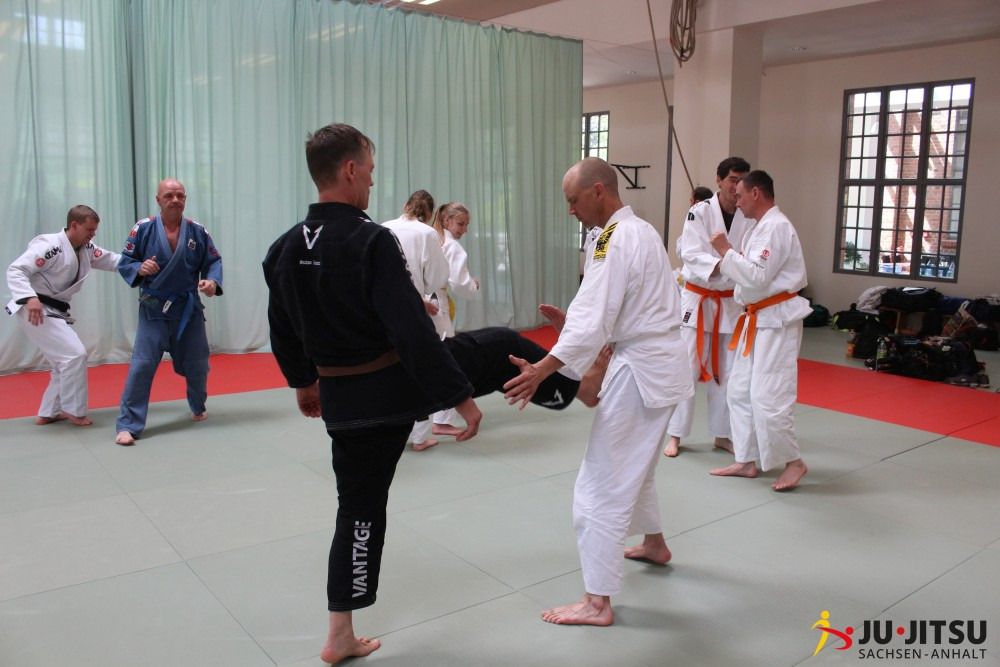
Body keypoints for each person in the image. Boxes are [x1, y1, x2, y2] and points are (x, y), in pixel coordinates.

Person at [261, 123, 484, 665]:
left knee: (357, 505)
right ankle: (339, 633)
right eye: (370, 170)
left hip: (338, 399)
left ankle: (341, 629)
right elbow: (411, 330)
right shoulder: (370, 241)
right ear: (350, 170)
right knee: (361, 509)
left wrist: (303, 382)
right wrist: (460, 398)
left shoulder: (284, 247)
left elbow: (283, 326)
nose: (372, 181)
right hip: (382, 395)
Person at [503, 157, 693, 626]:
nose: (570, 210)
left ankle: (597, 601)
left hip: (642, 369)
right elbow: (613, 308)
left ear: (599, 192)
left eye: (573, 200)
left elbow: (595, 318)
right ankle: (654, 543)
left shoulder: (613, 237)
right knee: (638, 466)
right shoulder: (639, 231)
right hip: (660, 363)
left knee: (600, 483)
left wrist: (543, 368)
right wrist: (572, 328)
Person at [708, 170, 811, 491]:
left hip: (776, 322)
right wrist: (730, 256)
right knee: (738, 391)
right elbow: (751, 274)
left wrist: (725, 251)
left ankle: (794, 462)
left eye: (739, 195)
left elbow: (756, 276)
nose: (736, 201)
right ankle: (746, 459)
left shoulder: (776, 227)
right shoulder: (759, 228)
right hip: (756, 319)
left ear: (756, 193)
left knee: (768, 396)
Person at [113, 179, 223, 446]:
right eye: (169, 195)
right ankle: (128, 425)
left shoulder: (197, 231)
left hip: (188, 309)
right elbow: (125, 261)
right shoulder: (143, 228)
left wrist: (211, 282)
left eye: (180, 196)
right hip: (154, 310)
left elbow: (213, 261)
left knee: (198, 363)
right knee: (142, 365)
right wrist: (140, 268)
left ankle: (197, 404)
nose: (175, 200)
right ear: (158, 200)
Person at [664, 157, 752, 458]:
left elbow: (749, 257)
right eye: (732, 179)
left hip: (730, 301)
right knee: (688, 366)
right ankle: (675, 434)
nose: (736, 187)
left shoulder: (747, 215)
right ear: (719, 180)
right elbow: (690, 253)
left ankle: (722, 434)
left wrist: (731, 264)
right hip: (699, 299)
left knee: (727, 372)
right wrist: (726, 264)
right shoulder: (699, 212)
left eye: (741, 181)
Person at [5, 205, 121, 426]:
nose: (93, 234)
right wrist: (29, 298)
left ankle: (49, 412)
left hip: (53, 309)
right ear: (74, 225)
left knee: (63, 362)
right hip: (35, 308)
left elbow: (112, 260)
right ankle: (74, 410)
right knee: (74, 355)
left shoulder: (85, 248)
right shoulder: (51, 246)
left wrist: (139, 265)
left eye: (94, 230)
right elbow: (16, 269)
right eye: (89, 229)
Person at [382, 190, 451, 450]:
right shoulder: (427, 234)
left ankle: (391, 429)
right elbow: (437, 277)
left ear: (406, 205)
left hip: (384, 310)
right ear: (430, 212)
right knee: (421, 369)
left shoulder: (384, 228)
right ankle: (419, 437)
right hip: (415, 309)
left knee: (390, 369)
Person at [429, 201, 481, 437]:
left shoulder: (431, 239)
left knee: (425, 359)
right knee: (447, 361)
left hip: (421, 303)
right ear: (446, 220)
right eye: (460, 224)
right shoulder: (452, 247)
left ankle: (426, 419)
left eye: (466, 225)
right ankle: (441, 420)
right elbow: (460, 284)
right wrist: (473, 286)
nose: (464, 229)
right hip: (436, 306)